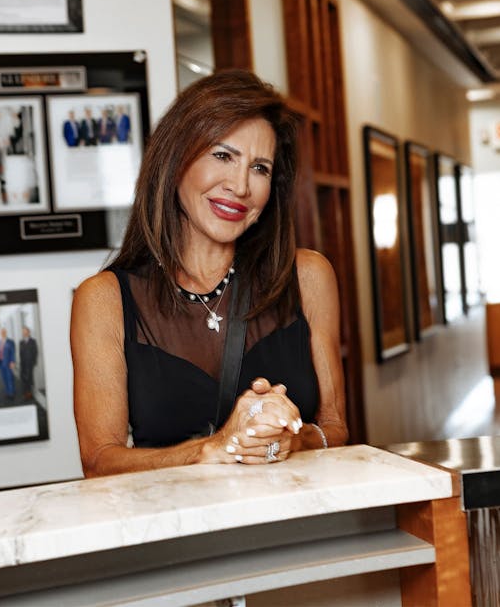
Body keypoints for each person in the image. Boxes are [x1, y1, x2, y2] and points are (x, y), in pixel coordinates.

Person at [71, 69, 348, 477]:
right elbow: (99, 461)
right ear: (176, 158)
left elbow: (336, 429)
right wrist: (212, 448)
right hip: (178, 533)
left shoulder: (307, 276)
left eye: (260, 168)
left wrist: (292, 438)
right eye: (223, 156)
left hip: (301, 525)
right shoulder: (103, 299)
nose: (240, 186)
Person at [19, 326, 39, 400]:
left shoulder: (33, 341)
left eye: (25, 331)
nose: (24, 333)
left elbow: (35, 352)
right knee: (23, 378)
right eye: (23, 331)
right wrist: (20, 363)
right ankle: (25, 393)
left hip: (30, 363)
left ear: (28, 332)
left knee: (29, 378)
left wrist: (34, 362)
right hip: (23, 363)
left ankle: (29, 393)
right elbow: (20, 353)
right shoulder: (21, 342)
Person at [0, 328, 16, 400]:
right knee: (4, 379)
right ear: (0, 333)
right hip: (1, 363)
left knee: (10, 378)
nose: (2, 333)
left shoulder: (10, 342)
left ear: (6, 332)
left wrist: (12, 361)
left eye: (3, 332)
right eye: (1, 332)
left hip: (8, 363)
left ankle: (11, 393)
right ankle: (7, 392)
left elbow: (13, 352)